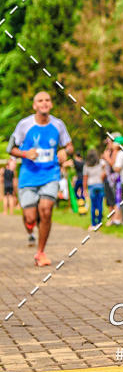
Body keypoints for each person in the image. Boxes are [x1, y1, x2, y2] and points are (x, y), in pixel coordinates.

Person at [8, 91, 73, 266]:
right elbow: (10, 148)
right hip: (28, 177)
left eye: (47, 100)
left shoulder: (58, 125)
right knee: (30, 217)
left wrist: (64, 152)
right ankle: (30, 226)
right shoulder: (24, 125)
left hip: (50, 174)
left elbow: (69, 146)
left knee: (46, 209)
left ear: (51, 104)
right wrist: (24, 153)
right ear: (35, 105)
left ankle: (40, 252)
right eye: (40, 100)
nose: (44, 103)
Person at [83, 148, 106, 228]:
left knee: (93, 205)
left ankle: (93, 223)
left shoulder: (86, 165)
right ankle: (99, 222)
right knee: (100, 205)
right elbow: (104, 172)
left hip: (91, 186)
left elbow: (85, 178)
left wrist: (84, 189)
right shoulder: (101, 163)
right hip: (100, 185)